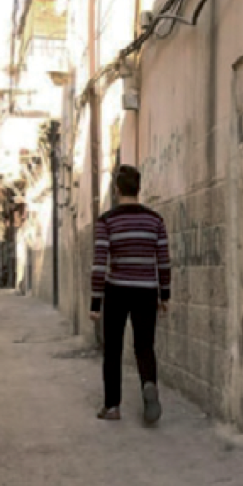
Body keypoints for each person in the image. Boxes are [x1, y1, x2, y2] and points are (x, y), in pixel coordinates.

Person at [90, 165, 170, 424]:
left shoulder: (107, 221)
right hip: (147, 290)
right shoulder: (155, 220)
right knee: (145, 347)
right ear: (139, 187)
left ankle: (112, 406)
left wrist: (95, 302)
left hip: (117, 291)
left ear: (117, 189)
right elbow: (164, 260)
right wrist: (165, 295)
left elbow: (100, 262)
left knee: (112, 348)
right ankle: (148, 383)